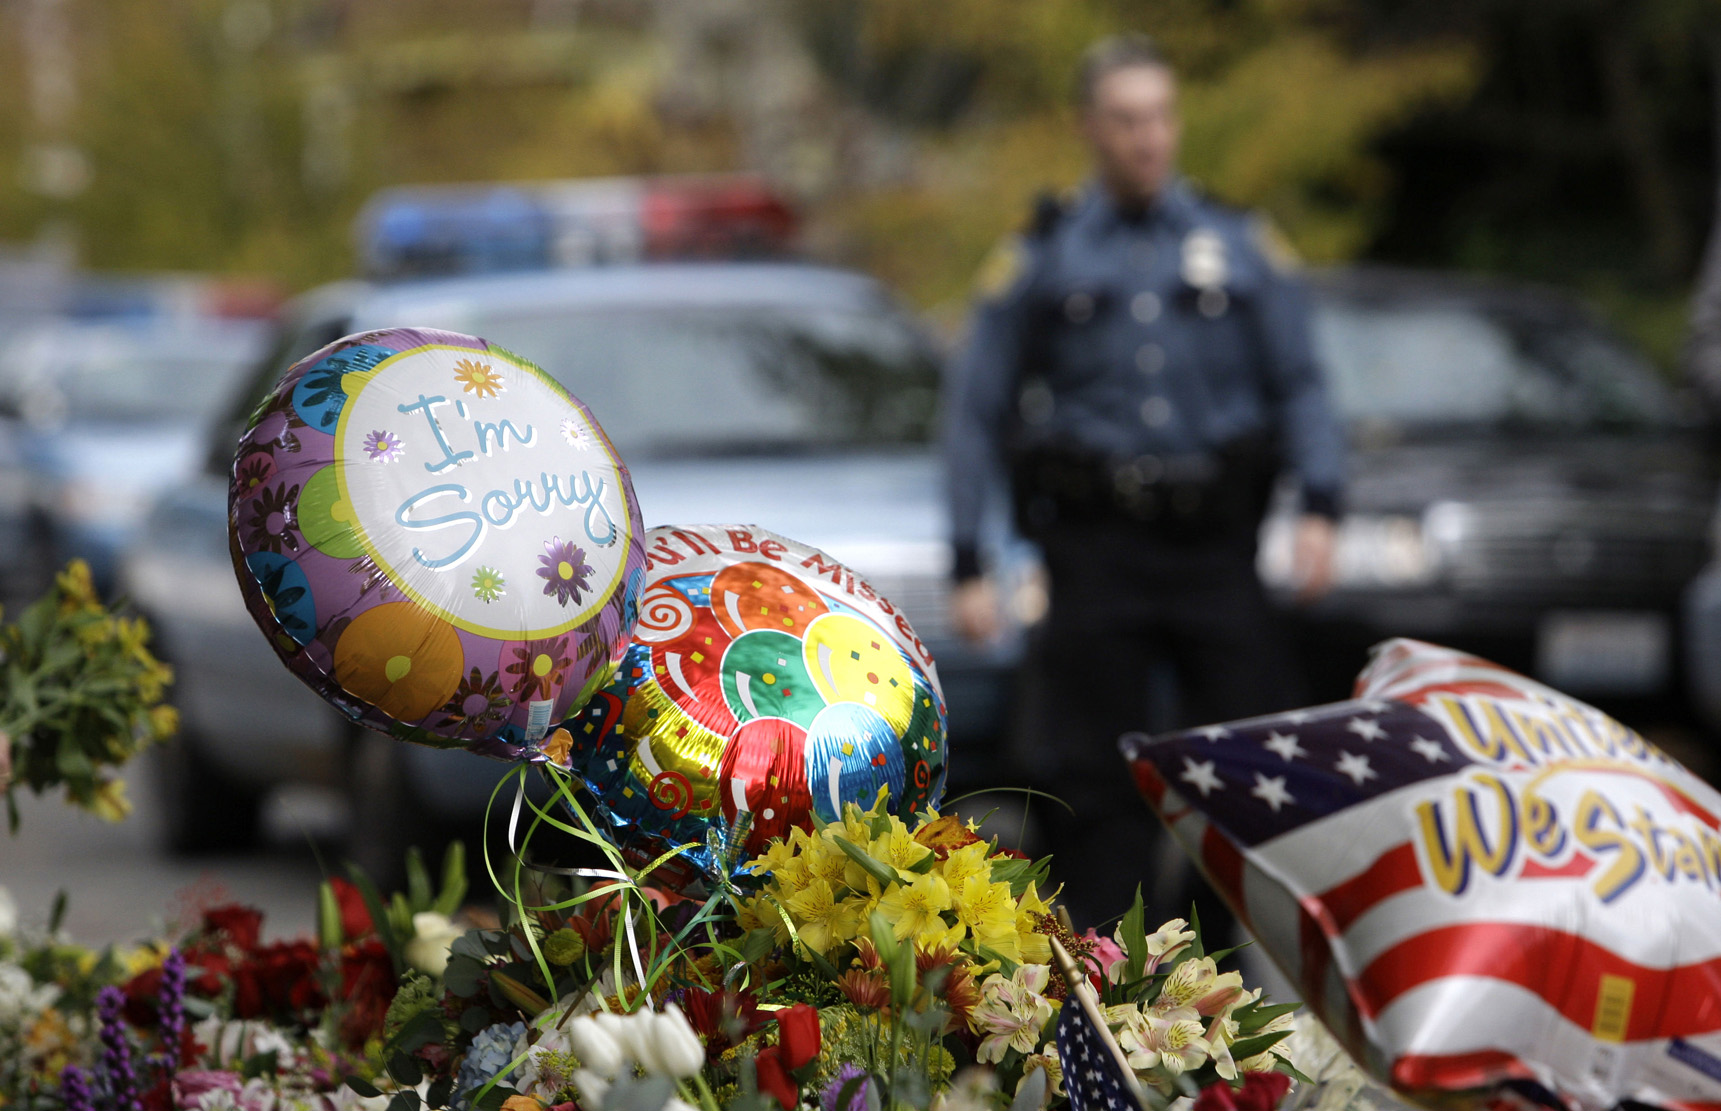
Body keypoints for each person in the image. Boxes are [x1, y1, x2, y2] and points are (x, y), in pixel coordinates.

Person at [942, 33, 1347, 926]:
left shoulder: (1239, 245)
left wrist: (1321, 503)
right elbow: (973, 406)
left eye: (1161, 117)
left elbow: (1302, 384)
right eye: (1126, 121)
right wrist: (968, 556)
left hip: (1216, 546)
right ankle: (1104, 980)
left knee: (1241, 769)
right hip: (1097, 547)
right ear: (1090, 126)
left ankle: (1215, 993)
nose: (1148, 139)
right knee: (1087, 776)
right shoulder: (1042, 255)